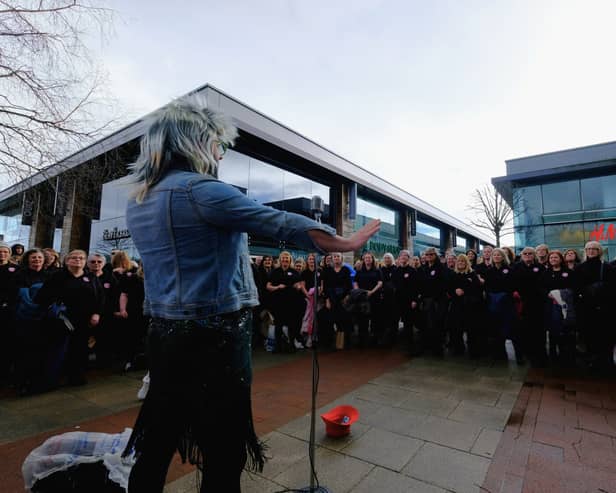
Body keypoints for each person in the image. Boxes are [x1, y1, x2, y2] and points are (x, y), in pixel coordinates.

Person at [120, 96, 380, 493]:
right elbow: (276, 221)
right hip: (215, 335)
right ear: (195, 140)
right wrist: (343, 242)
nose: (220, 154)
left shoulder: (140, 198)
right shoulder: (201, 190)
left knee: (159, 435)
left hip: (163, 333)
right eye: (217, 144)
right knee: (223, 445)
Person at [36, 249, 103, 386]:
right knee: (57, 349)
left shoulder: (91, 278)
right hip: (61, 320)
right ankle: (50, 380)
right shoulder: (58, 276)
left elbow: (100, 298)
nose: (78, 260)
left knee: (80, 348)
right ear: (67, 261)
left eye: (81, 258)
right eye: (74, 257)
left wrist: (96, 313)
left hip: (84, 320)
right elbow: (42, 297)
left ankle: (76, 376)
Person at [353, 251, 383, 347]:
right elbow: (355, 282)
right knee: (362, 320)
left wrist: (372, 291)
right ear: (363, 260)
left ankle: (375, 339)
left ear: (372, 259)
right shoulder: (359, 271)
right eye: (366, 258)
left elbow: (380, 283)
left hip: (374, 298)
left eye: (369, 258)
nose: (367, 259)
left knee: (375, 319)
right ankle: (362, 340)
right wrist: (358, 290)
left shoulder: (377, 270)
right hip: (362, 298)